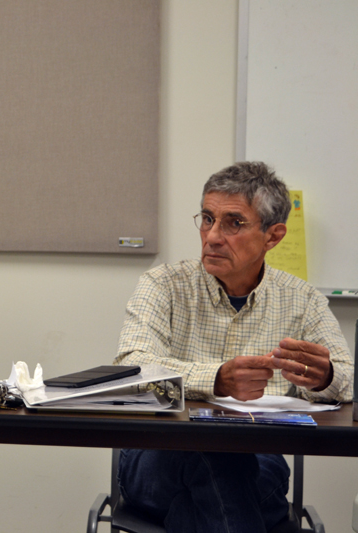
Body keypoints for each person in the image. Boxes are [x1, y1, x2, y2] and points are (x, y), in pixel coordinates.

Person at [113, 161, 353, 533]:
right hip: (157, 453)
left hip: (259, 455)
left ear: (273, 236)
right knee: (218, 459)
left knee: (215, 487)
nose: (212, 236)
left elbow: (347, 377)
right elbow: (133, 369)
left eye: (233, 223)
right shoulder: (162, 285)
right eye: (207, 219)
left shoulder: (302, 300)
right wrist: (217, 379)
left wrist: (325, 378)